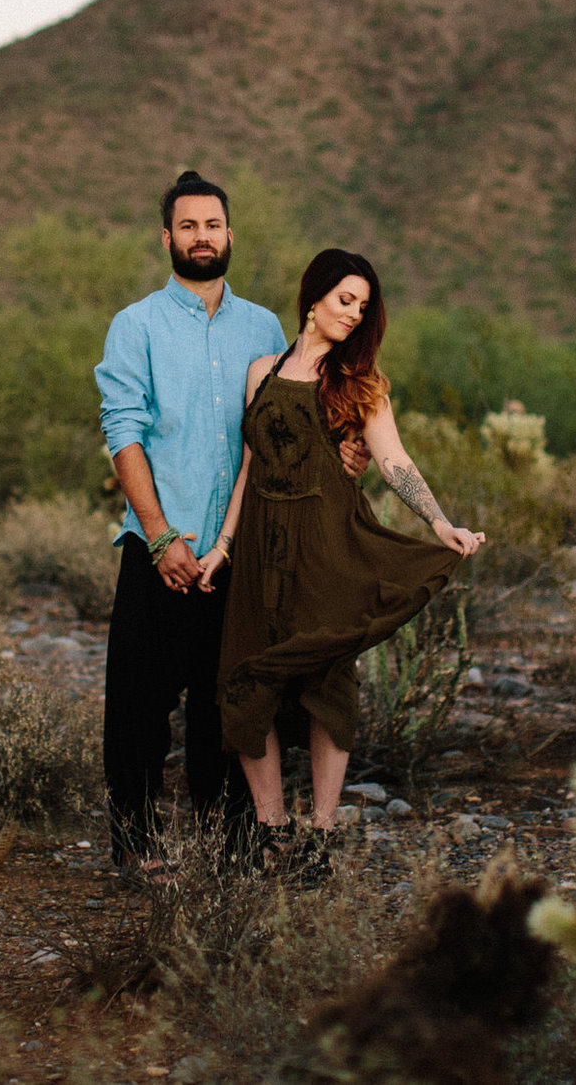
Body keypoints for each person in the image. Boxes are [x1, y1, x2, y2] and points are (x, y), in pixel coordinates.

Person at [94, 171, 367, 876]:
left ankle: (234, 845)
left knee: (237, 706)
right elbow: (124, 433)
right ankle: (137, 846)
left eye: (212, 225)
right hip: (160, 545)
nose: (202, 237)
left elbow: (287, 431)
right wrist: (160, 535)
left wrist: (346, 454)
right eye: (188, 226)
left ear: (229, 233)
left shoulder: (265, 328)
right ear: (167, 239)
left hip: (245, 557)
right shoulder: (136, 326)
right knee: (138, 708)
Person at [199, 248, 484, 856]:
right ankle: (272, 830)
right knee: (247, 679)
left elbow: (394, 460)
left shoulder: (360, 385)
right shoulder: (262, 372)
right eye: (344, 299)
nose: (354, 314)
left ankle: (321, 836)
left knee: (327, 681)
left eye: (363, 305)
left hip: (327, 542)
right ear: (314, 297)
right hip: (259, 549)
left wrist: (439, 523)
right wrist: (223, 545)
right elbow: (250, 465)